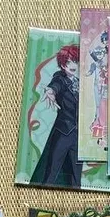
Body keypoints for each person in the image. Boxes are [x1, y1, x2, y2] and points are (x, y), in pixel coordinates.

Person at [29, 44, 82, 188]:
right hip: (64, 131)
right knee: (52, 169)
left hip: (79, 135)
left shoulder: (80, 82)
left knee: (76, 175)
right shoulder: (60, 78)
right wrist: (50, 92)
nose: (72, 65)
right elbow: (54, 86)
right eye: (68, 62)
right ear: (63, 65)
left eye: (75, 61)